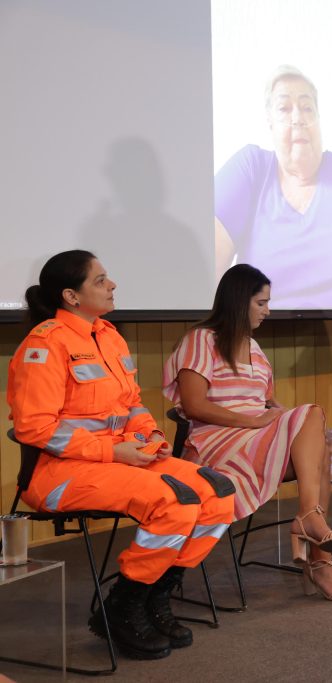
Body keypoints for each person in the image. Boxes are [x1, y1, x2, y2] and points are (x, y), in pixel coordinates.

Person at [7, 250, 235, 660]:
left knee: (218, 493)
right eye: (100, 279)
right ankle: (123, 608)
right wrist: (115, 450)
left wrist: (150, 436)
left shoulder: (108, 335)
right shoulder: (44, 343)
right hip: (58, 475)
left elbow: (130, 404)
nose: (111, 285)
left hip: (119, 459)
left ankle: (152, 595)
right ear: (71, 297)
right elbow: (34, 428)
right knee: (175, 501)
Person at [163, 264, 332, 601]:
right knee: (312, 425)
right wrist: (256, 422)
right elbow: (194, 406)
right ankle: (319, 557)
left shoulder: (255, 349)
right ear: (239, 302)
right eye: (261, 303)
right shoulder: (201, 340)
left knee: (315, 433)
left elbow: (267, 403)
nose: (268, 311)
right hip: (217, 439)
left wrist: (291, 422)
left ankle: (313, 531)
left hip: (257, 436)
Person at [215, 65, 332, 309]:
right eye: (284, 108)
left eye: (307, 108)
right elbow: (209, 264)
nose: (298, 118)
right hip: (260, 334)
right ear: (270, 123)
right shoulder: (251, 167)